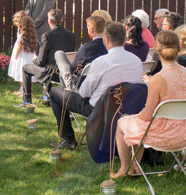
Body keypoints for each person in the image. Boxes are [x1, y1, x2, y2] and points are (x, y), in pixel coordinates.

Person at [111, 30, 186, 178]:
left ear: (156, 50)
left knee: (123, 122)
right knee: (136, 124)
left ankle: (125, 168)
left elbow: (147, 116)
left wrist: (135, 115)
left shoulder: (158, 79)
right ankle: (134, 166)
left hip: (165, 135)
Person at [50, 21, 143, 150]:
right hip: (128, 107)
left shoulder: (101, 62)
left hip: (101, 110)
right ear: (124, 38)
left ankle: (69, 140)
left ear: (107, 39)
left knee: (55, 93)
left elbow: (84, 93)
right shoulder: (136, 61)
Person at [18, 9, 75, 106]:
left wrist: (34, 60)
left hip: (51, 73)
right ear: (62, 20)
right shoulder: (71, 35)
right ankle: (47, 96)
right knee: (48, 65)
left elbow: (40, 61)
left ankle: (27, 101)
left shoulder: (47, 36)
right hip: (65, 73)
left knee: (26, 68)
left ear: (49, 21)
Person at [56, 15, 107, 89]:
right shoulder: (109, 47)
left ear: (91, 30)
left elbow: (74, 69)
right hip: (103, 84)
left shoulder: (86, 48)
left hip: (81, 86)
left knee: (59, 54)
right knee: (61, 73)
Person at [7, 12, 39, 94]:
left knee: (22, 71)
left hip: (22, 55)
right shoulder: (31, 32)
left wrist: (16, 56)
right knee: (29, 73)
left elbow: (19, 46)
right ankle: (27, 90)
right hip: (30, 55)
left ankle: (23, 90)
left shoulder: (22, 34)